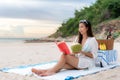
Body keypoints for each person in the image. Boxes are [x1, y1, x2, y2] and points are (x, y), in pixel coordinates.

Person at [31, 20, 98, 76]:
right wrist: (70, 53)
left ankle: (50, 72)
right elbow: (75, 53)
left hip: (87, 63)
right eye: (79, 27)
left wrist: (81, 51)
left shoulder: (92, 40)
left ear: (87, 28)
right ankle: (43, 71)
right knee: (62, 63)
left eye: (82, 27)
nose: (80, 29)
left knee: (64, 57)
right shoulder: (78, 38)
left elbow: (94, 56)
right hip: (78, 61)